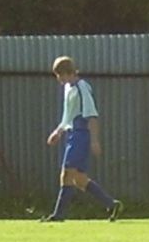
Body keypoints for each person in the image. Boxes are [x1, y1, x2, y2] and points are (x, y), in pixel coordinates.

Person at [43, 56, 123, 222]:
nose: (58, 79)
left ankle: (58, 215)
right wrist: (58, 132)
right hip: (72, 134)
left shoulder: (82, 87)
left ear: (67, 73)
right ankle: (112, 203)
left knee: (66, 173)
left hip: (81, 134)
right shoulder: (68, 88)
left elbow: (91, 115)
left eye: (59, 75)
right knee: (79, 179)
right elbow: (68, 115)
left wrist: (94, 140)